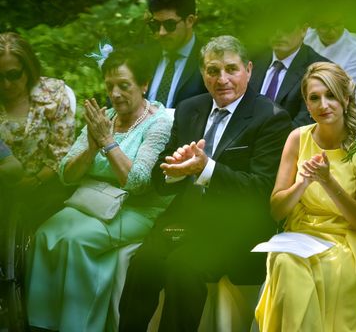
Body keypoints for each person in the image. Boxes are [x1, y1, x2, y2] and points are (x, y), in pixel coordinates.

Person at [118, 35, 292, 331]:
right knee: (144, 263)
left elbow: (261, 190)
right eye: (213, 70)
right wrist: (174, 170)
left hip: (235, 229)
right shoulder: (189, 108)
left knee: (183, 267)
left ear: (249, 70)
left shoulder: (272, 118)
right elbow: (160, 179)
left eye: (231, 69)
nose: (222, 79)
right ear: (203, 73)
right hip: (183, 224)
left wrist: (206, 168)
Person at [26, 48, 173, 332]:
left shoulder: (160, 122)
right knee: (45, 234)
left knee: (76, 241)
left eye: (124, 85)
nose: (115, 93)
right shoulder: (103, 117)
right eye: (110, 86)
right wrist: (91, 149)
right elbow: (66, 173)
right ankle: (41, 325)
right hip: (91, 202)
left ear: (144, 85)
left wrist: (107, 141)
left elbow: (139, 182)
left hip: (137, 208)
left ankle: (78, 325)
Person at [255, 62, 356, 331]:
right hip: (300, 236)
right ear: (307, 105)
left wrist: (327, 181)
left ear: (346, 99)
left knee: (296, 269)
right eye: (314, 98)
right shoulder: (296, 139)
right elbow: (276, 210)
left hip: (345, 241)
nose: (323, 104)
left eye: (331, 95)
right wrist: (302, 183)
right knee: (285, 261)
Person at [0, 32, 75, 224]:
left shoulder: (54, 93)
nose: (6, 84)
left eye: (13, 75)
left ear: (28, 68)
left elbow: (63, 151)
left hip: (43, 186)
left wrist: (36, 181)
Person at [249, 19, 330, 126]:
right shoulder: (255, 58)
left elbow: (305, 123)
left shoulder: (319, 69)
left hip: (288, 140)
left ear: (303, 30)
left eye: (287, 28)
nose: (278, 34)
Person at [145, 0, 207, 108]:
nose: (161, 32)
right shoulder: (142, 56)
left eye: (169, 25)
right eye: (155, 25)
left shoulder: (207, 60)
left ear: (190, 21)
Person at [304, 11, 356, 88]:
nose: (332, 32)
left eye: (337, 24)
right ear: (314, 25)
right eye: (325, 26)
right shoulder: (305, 38)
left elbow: (348, 88)